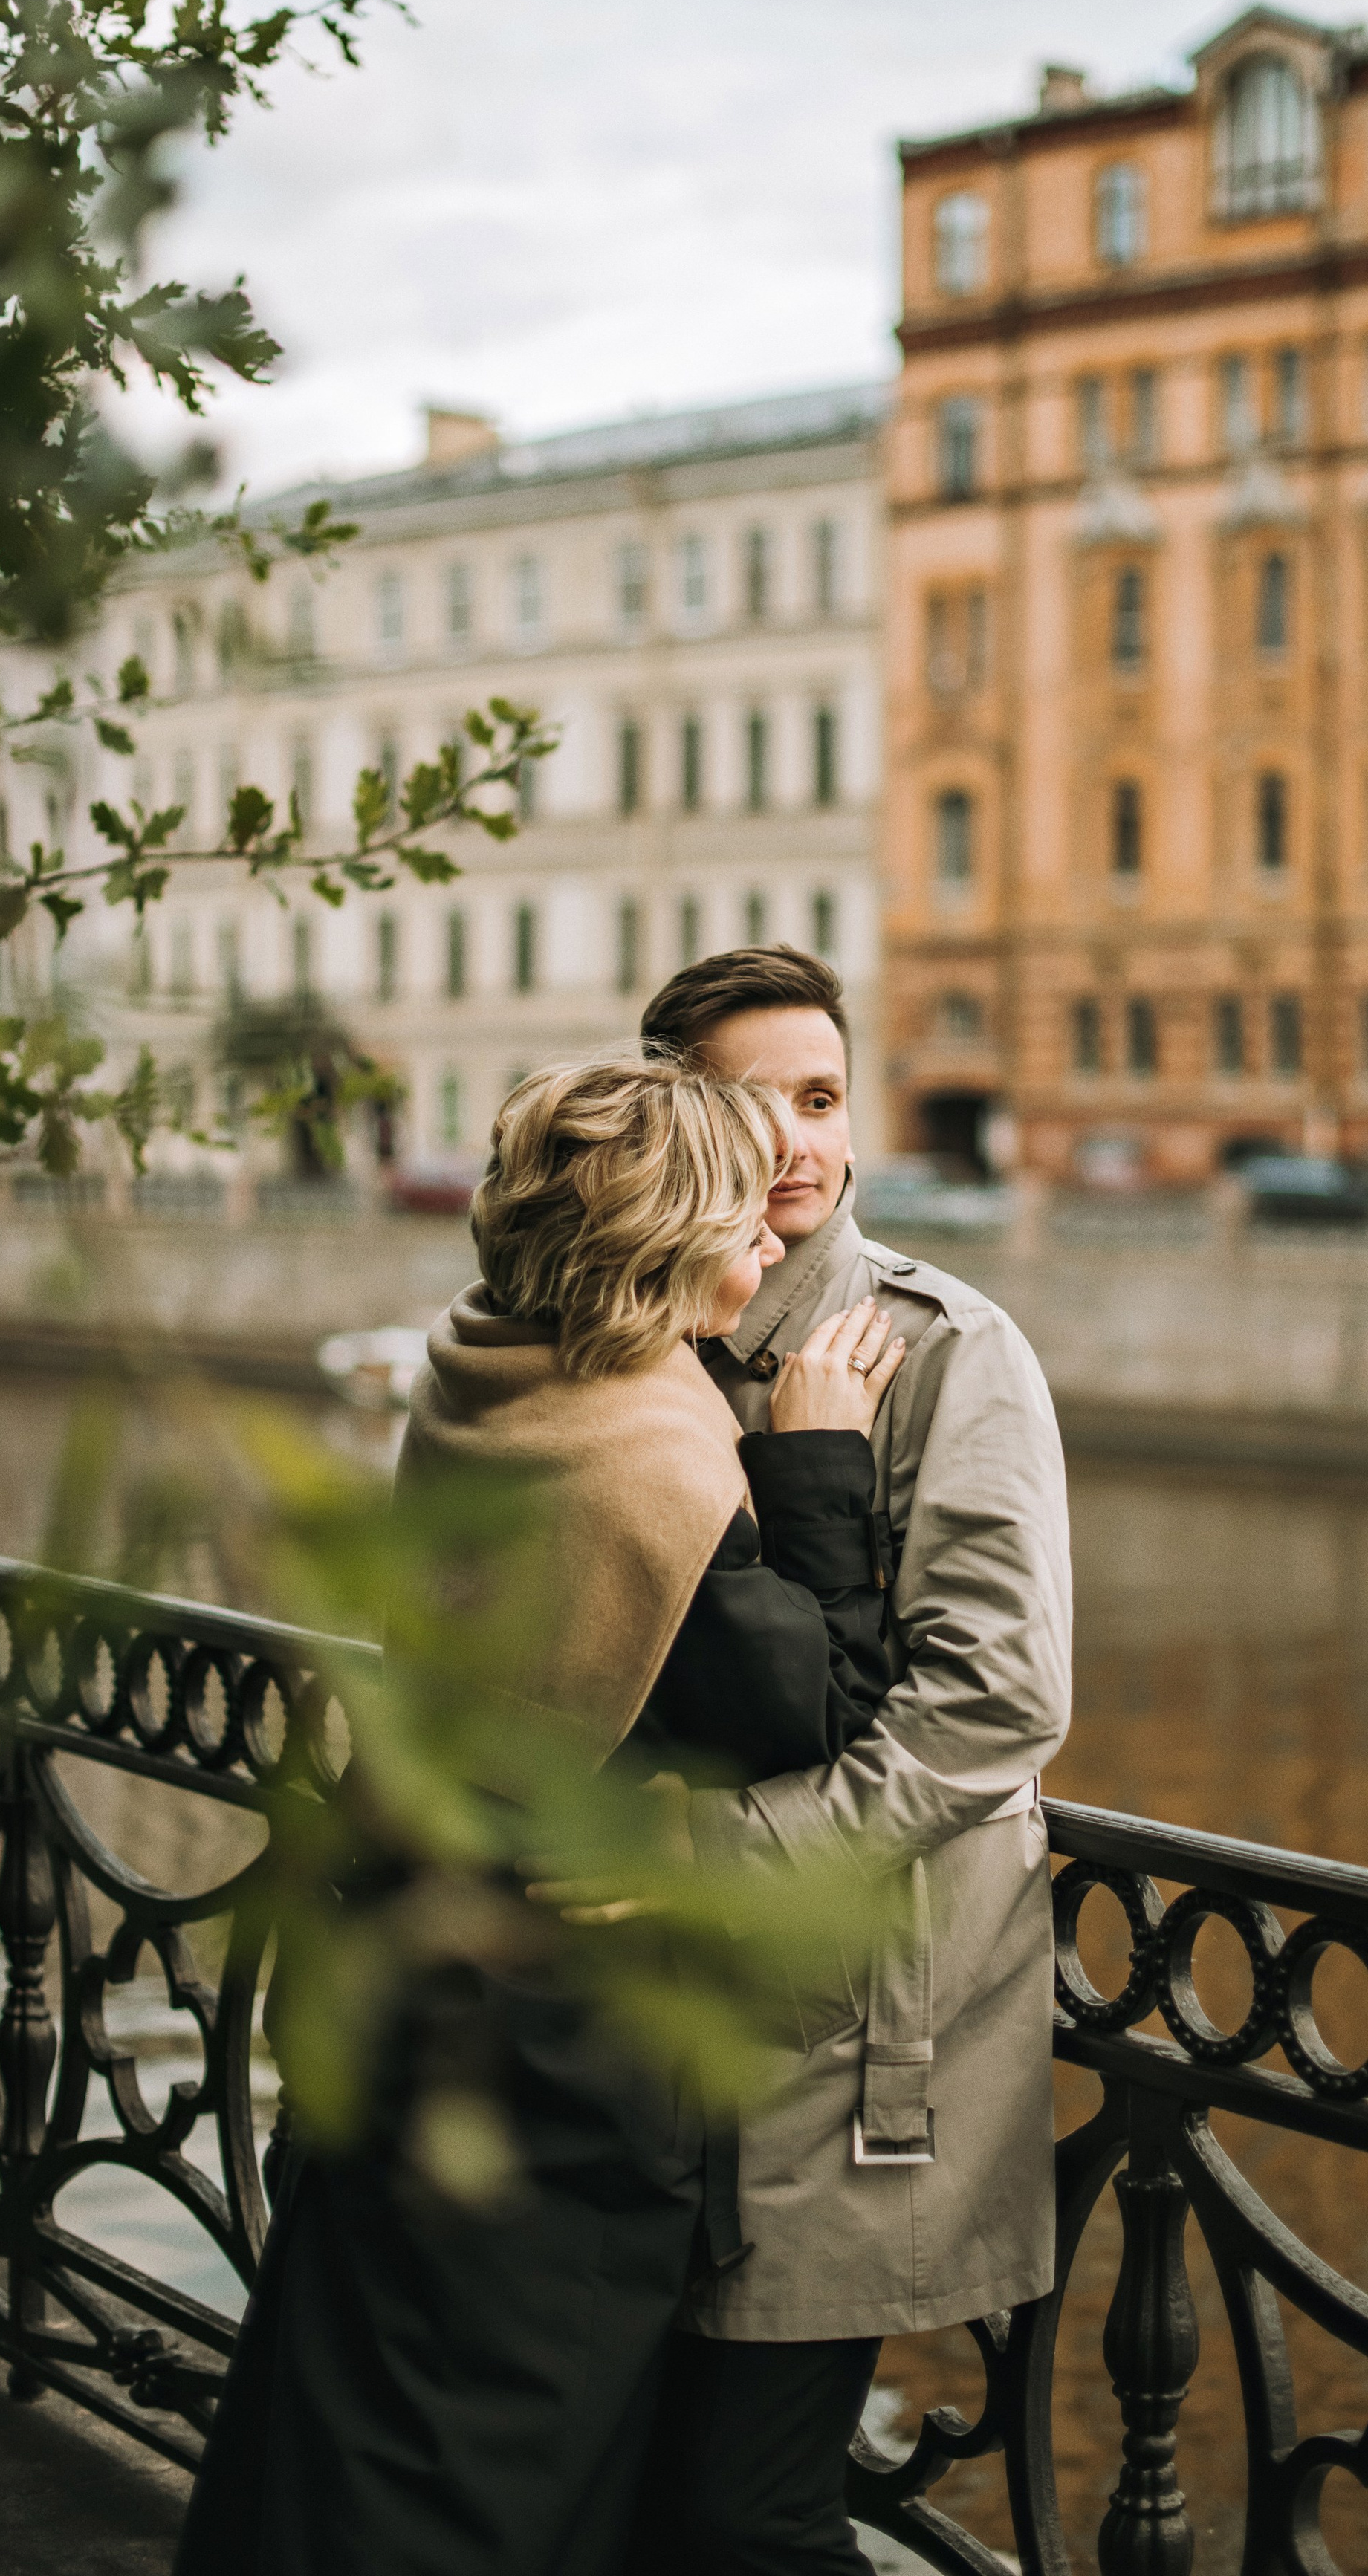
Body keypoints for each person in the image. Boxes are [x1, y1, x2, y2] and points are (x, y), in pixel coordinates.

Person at [174, 1055, 910, 2576]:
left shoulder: (480, 1362)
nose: (771, 1249)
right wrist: (817, 1461)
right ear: (658, 1248)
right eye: (738, 1225)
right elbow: (814, 1709)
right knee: (481, 2475)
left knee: (349, 2421)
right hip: (547, 2062)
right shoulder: (645, 1464)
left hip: (412, 1971)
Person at [626, 947, 1072, 2573]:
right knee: (655, 2493)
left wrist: (723, 1856)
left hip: (857, 2031)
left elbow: (996, 1706)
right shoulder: (644, 1337)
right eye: (754, 1104)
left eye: (822, 1098)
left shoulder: (946, 1351)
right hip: (650, 2019)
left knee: (750, 2513)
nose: (800, 1142)